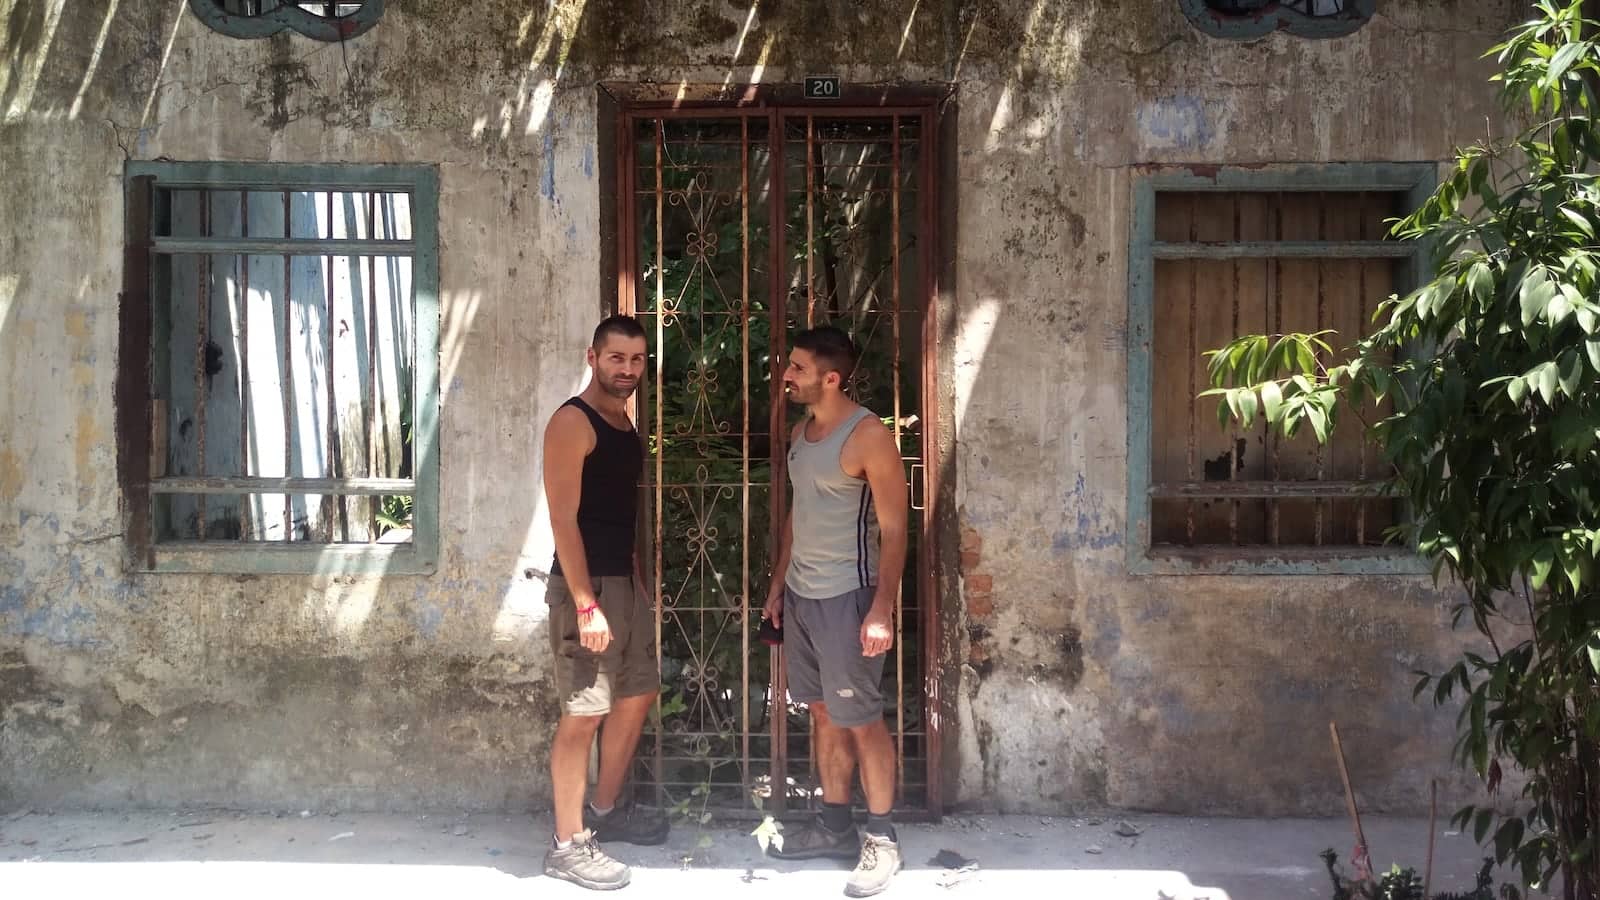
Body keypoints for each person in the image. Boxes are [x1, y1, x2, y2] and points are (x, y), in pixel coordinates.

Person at [762, 325, 909, 898]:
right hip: (802, 597)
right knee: (823, 713)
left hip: (849, 599)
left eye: (796, 367)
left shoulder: (868, 434)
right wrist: (778, 584)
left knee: (862, 718)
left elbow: (896, 530)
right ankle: (835, 827)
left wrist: (881, 609)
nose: (786, 375)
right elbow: (801, 515)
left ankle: (881, 838)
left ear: (830, 377)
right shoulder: (803, 433)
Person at [540, 315, 666, 891]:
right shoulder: (573, 422)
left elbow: (618, 513)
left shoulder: (624, 424)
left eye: (637, 360)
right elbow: (564, 520)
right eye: (616, 358)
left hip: (624, 586)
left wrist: (634, 585)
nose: (627, 370)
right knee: (584, 713)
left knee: (637, 695)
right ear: (592, 357)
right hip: (584, 586)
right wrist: (586, 602)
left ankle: (604, 815)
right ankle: (567, 846)